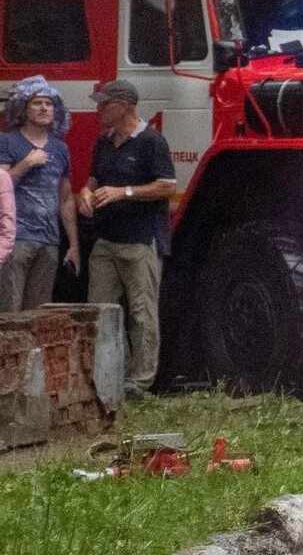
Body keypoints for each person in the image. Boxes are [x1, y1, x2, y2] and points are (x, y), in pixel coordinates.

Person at [78, 80, 176, 398]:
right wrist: (85, 193)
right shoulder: (104, 141)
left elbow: (167, 186)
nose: (99, 109)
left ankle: (141, 380)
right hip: (106, 240)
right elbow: (94, 177)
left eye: (105, 104)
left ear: (125, 106)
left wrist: (125, 192)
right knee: (99, 310)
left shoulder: (152, 141)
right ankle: (111, 374)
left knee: (141, 311)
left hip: (140, 240)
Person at [0, 78, 77, 311]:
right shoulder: (7, 142)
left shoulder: (60, 148)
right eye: (37, 103)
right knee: (10, 310)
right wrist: (26, 164)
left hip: (49, 241)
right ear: (24, 108)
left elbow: (65, 199)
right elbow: (2, 186)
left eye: (49, 103)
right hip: (15, 238)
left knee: (38, 314)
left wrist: (73, 244)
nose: (44, 108)